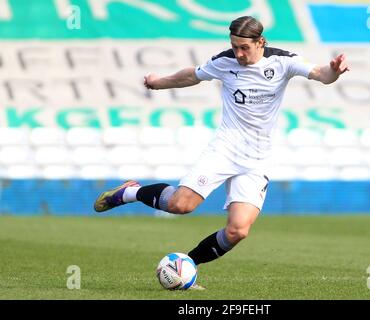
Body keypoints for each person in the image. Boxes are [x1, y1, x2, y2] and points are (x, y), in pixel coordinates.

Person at [94, 16, 349, 287]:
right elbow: (192, 75)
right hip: (225, 149)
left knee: (238, 230)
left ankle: (186, 266)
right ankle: (129, 192)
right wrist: (159, 82)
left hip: (258, 159)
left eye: (244, 48)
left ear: (260, 41)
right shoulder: (225, 61)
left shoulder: (283, 61)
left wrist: (334, 70)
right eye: (234, 46)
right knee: (181, 205)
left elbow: (322, 74)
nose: (238, 53)